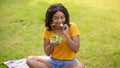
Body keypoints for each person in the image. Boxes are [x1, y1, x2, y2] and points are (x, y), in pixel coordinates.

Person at [26, 3, 85, 68]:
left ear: (65, 17)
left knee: (80, 66)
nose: (60, 21)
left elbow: (76, 49)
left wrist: (67, 35)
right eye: (56, 18)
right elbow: (47, 53)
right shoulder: (48, 29)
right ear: (51, 19)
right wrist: (52, 44)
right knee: (30, 59)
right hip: (52, 62)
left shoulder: (72, 27)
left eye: (62, 18)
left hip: (69, 63)